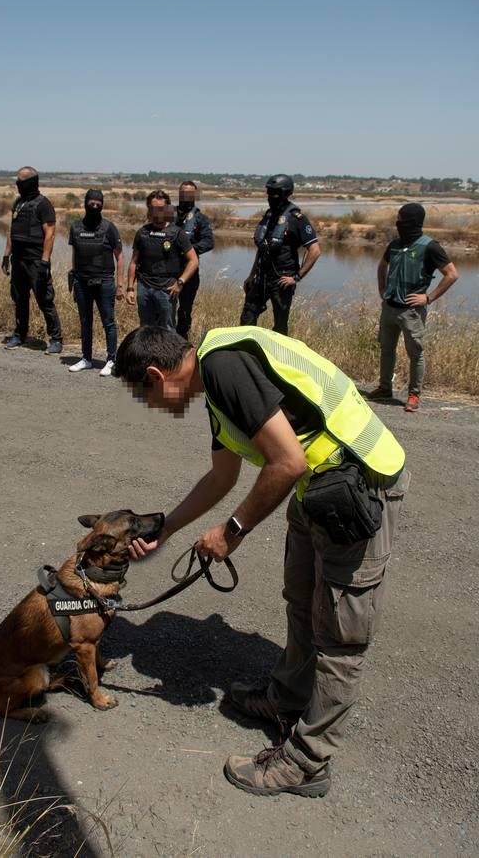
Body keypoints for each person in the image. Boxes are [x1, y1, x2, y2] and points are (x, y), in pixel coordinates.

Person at [115, 324, 408, 799]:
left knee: (339, 634)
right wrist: (167, 529)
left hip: (358, 485)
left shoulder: (223, 366)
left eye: (141, 395)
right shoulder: (212, 386)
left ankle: (308, 763)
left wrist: (231, 533)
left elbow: (286, 461)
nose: (148, 406)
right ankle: (286, 699)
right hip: (320, 486)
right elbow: (221, 476)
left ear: (155, 375)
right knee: (301, 602)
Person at [369, 202, 458, 412]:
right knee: (386, 349)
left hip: (412, 311)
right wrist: (382, 290)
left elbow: (452, 274)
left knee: (415, 353)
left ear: (409, 221)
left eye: (400, 218)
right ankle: (384, 388)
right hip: (389, 307)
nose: (397, 222)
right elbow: (382, 266)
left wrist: (428, 298)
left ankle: (414, 395)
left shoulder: (430, 246)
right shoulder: (395, 244)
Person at [240, 174, 320, 336]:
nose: (271, 197)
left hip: (282, 281)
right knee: (247, 318)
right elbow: (263, 249)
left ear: (285, 193)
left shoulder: (297, 219)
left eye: (275, 193)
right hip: (261, 278)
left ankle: (277, 357)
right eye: (269, 192)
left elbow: (315, 250)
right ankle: (247, 354)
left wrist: (296, 277)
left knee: (280, 326)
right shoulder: (269, 216)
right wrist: (252, 274)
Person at [1, 167, 63, 354]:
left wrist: (44, 261)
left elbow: (50, 234)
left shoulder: (43, 204)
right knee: (19, 299)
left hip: (36, 262)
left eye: (20, 182)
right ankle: (20, 335)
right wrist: (6, 255)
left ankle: (56, 339)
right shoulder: (18, 203)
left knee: (45, 300)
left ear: (30, 182)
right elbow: (12, 231)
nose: (18, 185)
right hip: (18, 260)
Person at [67, 189, 124, 376]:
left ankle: (111, 360)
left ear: (102, 205)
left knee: (109, 323)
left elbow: (120, 257)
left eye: (98, 203)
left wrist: (120, 285)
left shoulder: (109, 228)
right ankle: (86, 359)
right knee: (85, 322)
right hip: (82, 282)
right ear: (85, 203)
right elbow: (75, 253)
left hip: (105, 282)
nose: (94, 206)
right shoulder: (75, 227)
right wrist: (73, 277)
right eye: (91, 203)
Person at [126, 190, 199, 330]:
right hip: (144, 287)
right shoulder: (142, 232)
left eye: (161, 208)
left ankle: (168, 352)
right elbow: (133, 262)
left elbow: (194, 260)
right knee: (146, 329)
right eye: (154, 208)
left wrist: (180, 282)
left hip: (167, 289)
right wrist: (130, 288)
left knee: (168, 329)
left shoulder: (177, 233)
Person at [174, 181, 214, 339]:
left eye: (190, 193)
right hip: (166, 271)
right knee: (163, 309)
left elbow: (209, 242)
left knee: (184, 311)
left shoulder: (200, 218)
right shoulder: (168, 213)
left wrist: (189, 249)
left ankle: (182, 344)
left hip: (189, 273)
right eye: (184, 192)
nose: (187, 196)